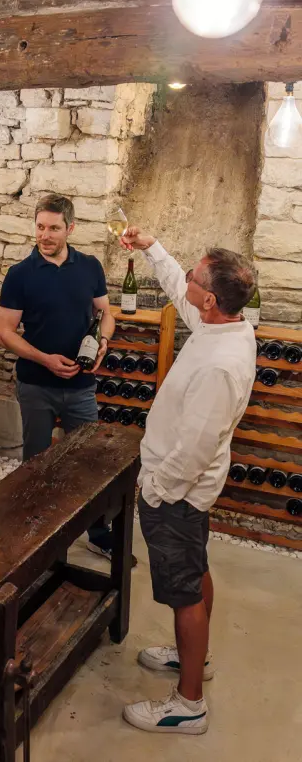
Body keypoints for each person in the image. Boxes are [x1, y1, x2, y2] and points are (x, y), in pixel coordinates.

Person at [119, 227, 256, 735]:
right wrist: (153, 247)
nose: (189, 283)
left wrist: (156, 490)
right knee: (196, 570)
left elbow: (196, 446)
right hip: (187, 494)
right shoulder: (223, 326)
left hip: (176, 493)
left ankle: (188, 704)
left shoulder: (221, 364)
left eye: (198, 277)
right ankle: (192, 657)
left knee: (183, 593)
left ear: (212, 298)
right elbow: (179, 284)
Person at [0, 193, 118, 557]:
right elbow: (4, 332)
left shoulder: (90, 267)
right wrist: (45, 359)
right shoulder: (19, 275)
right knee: (35, 462)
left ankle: (97, 533)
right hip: (36, 384)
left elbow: (106, 313)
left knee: (89, 460)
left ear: (70, 228)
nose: (45, 235)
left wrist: (104, 342)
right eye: (40, 227)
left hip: (81, 385)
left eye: (53, 228)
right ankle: (33, 536)